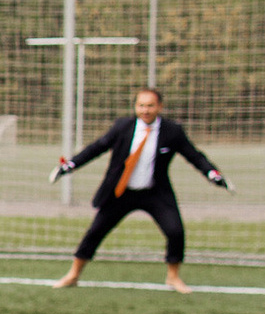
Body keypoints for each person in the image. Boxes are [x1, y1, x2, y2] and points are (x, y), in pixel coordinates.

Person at [50, 86, 229, 293]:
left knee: (175, 231)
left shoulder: (172, 131)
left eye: (150, 106)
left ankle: (173, 277)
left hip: (155, 192)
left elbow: (194, 156)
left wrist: (212, 174)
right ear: (135, 107)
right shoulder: (122, 127)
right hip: (121, 191)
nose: (145, 110)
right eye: (141, 105)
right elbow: (96, 148)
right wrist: (70, 165)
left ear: (160, 107)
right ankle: (73, 274)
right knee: (96, 231)